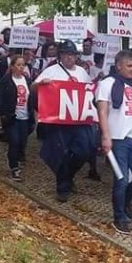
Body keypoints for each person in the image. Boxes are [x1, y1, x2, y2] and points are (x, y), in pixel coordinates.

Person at [97, 50, 132, 234]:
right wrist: (105, 136)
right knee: (121, 178)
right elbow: (102, 111)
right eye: (129, 66)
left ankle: (125, 201)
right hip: (118, 138)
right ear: (119, 65)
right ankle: (119, 216)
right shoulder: (107, 84)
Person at [35, 40, 95, 203]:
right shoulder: (52, 71)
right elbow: (34, 87)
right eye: (67, 55)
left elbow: (89, 92)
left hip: (79, 121)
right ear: (61, 56)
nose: (70, 58)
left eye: (72, 55)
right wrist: (41, 84)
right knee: (60, 153)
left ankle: (68, 176)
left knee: (84, 151)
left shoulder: (82, 72)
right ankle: (62, 187)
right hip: (58, 120)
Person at [0, 55, 34, 182]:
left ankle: (16, 157)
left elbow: (31, 97)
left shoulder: (27, 80)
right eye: (18, 65)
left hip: (25, 117)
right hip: (12, 117)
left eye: (23, 65)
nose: (21, 68)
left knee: (22, 142)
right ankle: (14, 167)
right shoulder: (6, 81)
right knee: (14, 141)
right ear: (12, 67)